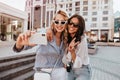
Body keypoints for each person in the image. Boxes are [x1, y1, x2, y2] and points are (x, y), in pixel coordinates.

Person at [13, 10, 68, 80]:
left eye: (62, 22)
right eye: (57, 22)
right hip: (42, 71)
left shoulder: (65, 39)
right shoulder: (45, 33)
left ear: (66, 23)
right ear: (53, 22)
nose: (59, 24)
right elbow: (25, 46)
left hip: (59, 71)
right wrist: (19, 43)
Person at [62, 14, 91, 80]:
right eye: (70, 23)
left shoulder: (82, 40)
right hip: (70, 70)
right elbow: (65, 60)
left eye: (75, 25)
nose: (72, 26)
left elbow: (79, 64)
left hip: (82, 70)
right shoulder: (68, 38)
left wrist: (72, 52)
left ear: (79, 27)